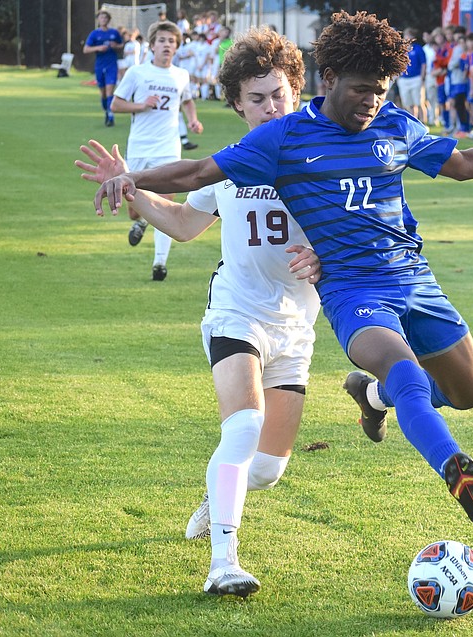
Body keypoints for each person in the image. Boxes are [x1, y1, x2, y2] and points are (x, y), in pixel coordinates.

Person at [94, 10, 473, 532]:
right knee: (407, 378)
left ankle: (371, 395)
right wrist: (133, 177)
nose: (372, 102)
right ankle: (457, 469)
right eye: (361, 90)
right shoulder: (284, 137)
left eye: (380, 90)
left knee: (470, 392)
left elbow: (463, 164)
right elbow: (198, 172)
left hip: (416, 280)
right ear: (329, 80)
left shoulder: (395, 124)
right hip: (353, 291)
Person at [77, 27, 321, 598]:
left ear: (296, 92)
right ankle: (224, 563)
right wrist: (132, 190)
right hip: (236, 312)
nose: (270, 107)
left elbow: (363, 231)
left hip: (296, 327)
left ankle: (217, 496)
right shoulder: (232, 164)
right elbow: (187, 224)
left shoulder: (321, 160)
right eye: (256, 98)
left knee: (267, 468)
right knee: (243, 428)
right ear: (236, 103)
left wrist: (327, 251)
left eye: (279, 94)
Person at [111, 20, 203, 281]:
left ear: (176, 47)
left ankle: (159, 264)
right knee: (133, 207)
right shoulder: (137, 73)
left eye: (171, 41)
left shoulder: (181, 75)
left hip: (168, 148)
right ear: (152, 45)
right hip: (140, 146)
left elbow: (187, 101)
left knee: (166, 205)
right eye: (161, 40)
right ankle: (140, 221)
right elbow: (116, 105)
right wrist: (141, 105)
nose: (166, 45)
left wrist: (193, 120)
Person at [83, 10, 123, 127]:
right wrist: (98, 48)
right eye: (101, 18)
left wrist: (116, 46)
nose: (103, 20)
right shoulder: (94, 34)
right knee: (103, 93)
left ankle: (111, 116)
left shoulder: (114, 33)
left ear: (108, 20)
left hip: (112, 65)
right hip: (100, 66)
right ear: (98, 20)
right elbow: (86, 49)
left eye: (105, 18)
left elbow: (121, 45)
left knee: (110, 90)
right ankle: (107, 111)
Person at [395, 27, 427, 122]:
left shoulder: (418, 49)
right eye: (406, 35)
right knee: (407, 103)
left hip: (416, 78)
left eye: (409, 35)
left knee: (418, 102)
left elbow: (423, 63)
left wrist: (422, 77)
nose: (407, 38)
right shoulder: (402, 49)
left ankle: (423, 121)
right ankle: (412, 121)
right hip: (404, 79)